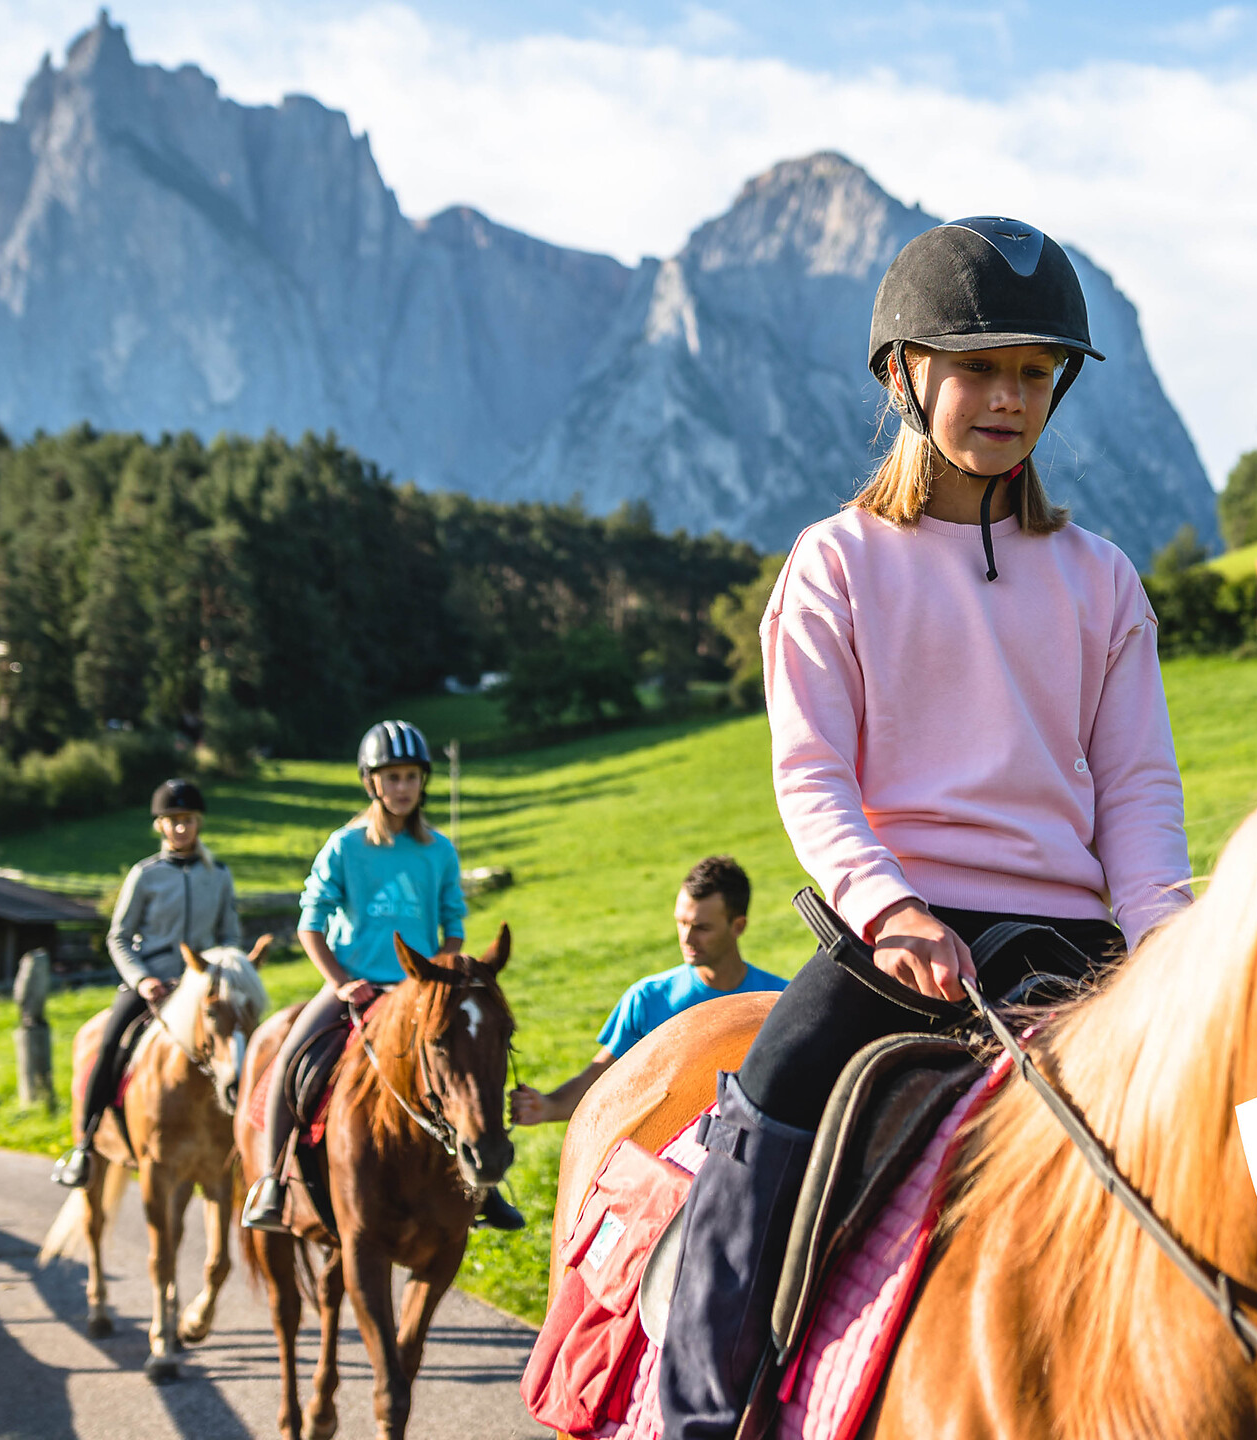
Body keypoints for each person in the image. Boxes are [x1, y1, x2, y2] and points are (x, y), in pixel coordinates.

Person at [656, 217, 1193, 1436]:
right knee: (774, 1105)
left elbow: (1141, 797)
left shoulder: (1102, 579)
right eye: (980, 367)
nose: (1009, 398)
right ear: (905, 375)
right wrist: (890, 906)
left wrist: (1170, 945)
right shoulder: (836, 564)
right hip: (893, 944)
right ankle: (695, 1416)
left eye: (1035, 373)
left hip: (1075, 947)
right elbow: (812, 777)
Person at [241, 719, 524, 1233]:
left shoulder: (438, 850)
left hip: (418, 993)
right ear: (371, 782)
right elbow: (310, 923)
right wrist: (339, 980)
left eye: (411, 777)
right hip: (354, 985)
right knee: (289, 1060)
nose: (402, 788)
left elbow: (452, 924)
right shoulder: (345, 846)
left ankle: (485, 1186)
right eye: (391, 777)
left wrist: (434, 980)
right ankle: (270, 1181)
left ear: (424, 783)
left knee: (465, 1068)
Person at [52, 778, 241, 1188]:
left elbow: (230, 936)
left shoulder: (220, 875)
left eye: (187, 820)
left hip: (200, 986)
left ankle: (250, 1140)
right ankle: (85, 1144)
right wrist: (142, 980)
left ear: (198, 823)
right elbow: (117, 937)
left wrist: (221, 974)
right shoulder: (145, 875)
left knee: (246, 1039)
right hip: (150, 984)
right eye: (172, 821)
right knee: (108, 1045)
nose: (180, 828)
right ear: (160, 826)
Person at [509, 856, 786, 1127]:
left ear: (738, 926)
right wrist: (548, 1106)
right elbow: (601, 1079)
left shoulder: (780, 1001)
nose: (686, 938)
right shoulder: (648, 999)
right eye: (681, 922)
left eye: (702, 927)